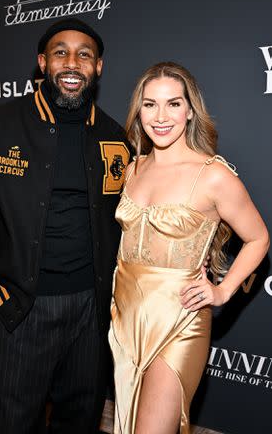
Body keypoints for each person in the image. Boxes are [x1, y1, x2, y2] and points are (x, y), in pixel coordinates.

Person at [0, 18, 131, 434]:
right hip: (19, 307)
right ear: (42, 62)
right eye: (60, 52)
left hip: (91, 310)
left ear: (98, 66)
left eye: (84, 54)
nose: (72, 62)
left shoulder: (115, 137)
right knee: (11, 422)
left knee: (79, 420)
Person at [108, 61, 269, 434]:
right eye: (150, 104)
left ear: (190, 110)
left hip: (179, 316)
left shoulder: (212, 174)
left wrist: (223, 290)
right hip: (126, 313)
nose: (160, 116)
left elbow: (259, 237)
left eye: (173, 104)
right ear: (139, 110)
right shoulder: (134, 168)